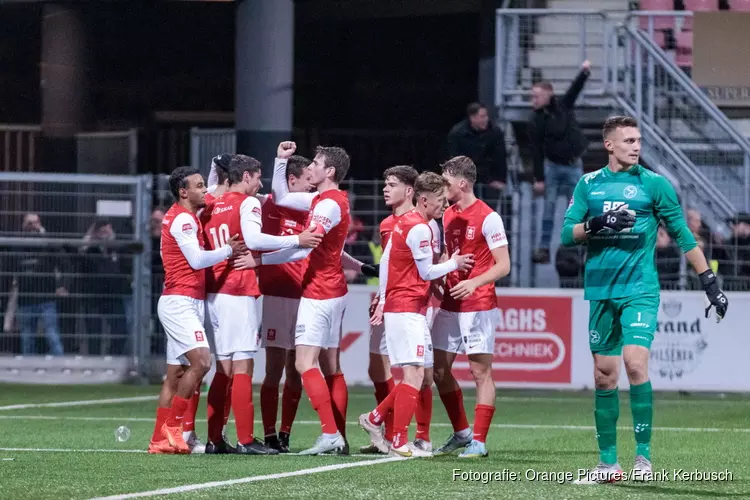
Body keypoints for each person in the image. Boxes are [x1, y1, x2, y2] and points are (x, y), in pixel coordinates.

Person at [561, 115, 729, 483]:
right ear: (609, 145)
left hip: (640, 288)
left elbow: (683, 235)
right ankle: (608, 465)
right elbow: (565, 235)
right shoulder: (589, 184)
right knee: (605, 377)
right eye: (628, 140)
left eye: (638, 140)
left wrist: (710, 282)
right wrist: (594, 226)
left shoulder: (655, 185)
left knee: (635, 365)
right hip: (601, 290)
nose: (636, 146)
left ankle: (643, 458)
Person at [201, 154, 322, 455]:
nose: (260, 184)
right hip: (238, 288)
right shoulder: (248, 203)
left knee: (224, 366)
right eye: (256, 177)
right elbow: (254, 238)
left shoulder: (213, 202)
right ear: (245, 178)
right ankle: (245, 439)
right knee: (243, 364)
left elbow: (214, 183)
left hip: (215, 291)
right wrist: (297, 240)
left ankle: (215, 439)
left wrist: (218, 166)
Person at [359, 172, 474, 457]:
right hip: (407, 308)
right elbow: (425, 271)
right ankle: (399, 441)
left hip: (410, 308)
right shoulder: (421, 228)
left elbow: (385, 260)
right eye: (440, 202)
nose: (444, 207)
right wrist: (453, 263)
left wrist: (384, 298)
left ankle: (376, 420)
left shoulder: (404, 224)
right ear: (424, 200)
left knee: (422, 377)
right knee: (413, 374)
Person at [262, 142, 352, 455]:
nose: (310, 167)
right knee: (322, 365)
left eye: (316, 163)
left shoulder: (327, 205)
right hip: (331, 290)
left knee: (303, 362)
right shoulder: (322, 198)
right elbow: (282, 197)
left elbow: (305, 245)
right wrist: (279, 161)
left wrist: (261, 260)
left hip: (320, 291)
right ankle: (335, 434)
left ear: (330, 171)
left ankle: (331, 434)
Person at [147, 166, 242, 454]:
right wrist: (228, 250)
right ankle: (175, 430)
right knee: (202, 362)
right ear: (183, 192)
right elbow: (198, 260)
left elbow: (215, 193)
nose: (204, 190)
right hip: (180, 302)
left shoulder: (185, 214)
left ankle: (158, 441)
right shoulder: (184, 221)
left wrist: (219, 173)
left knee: (175, 374)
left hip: (184, 300)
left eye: (204, 184)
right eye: (199, 186)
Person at [430, 156, 510, 459]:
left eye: (446, 182)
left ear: (462, 183)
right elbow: (450, 253)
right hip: (451, 300)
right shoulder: (448, 214)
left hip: (478, 303)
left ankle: (479, 441)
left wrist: (475, 283)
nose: (442, 186)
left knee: (480, 372)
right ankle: (462, 433)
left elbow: (504, 265)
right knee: (438, 370)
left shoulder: (489, 218)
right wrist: (439, 273)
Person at [360, 165, 439, 455]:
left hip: (415, 305)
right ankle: (389, 431)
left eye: (391, 184)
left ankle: (417, 434)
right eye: (385, 183)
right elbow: (388, 266)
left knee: (421, 375)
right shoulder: (391, 226)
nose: (384, 189)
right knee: (397, 370)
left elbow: (429, 263)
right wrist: (381, 297)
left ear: (409, 191)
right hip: (398, 305)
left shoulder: (425, 224)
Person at [258, 153, 315, 453]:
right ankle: (268, 434)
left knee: (297, 369)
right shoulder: (272, 203)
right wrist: (279, 160)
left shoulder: (313, 207)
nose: (312, 184)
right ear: (291, 180)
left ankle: (285, 433)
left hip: (307, 296)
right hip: (278, 294)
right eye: (308, 178)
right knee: (274, 369)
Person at [530, 61, 591, 264]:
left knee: (577, 209)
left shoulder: (563, 106)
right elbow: (536, 151)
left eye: (536, 96)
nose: (533, 100)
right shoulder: (536, 120)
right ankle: (544, 248)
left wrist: (584, 72)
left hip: (573, 165)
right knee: (548, 209)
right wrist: (539, 178)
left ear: (548, 94)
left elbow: (575, 89)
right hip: (553, 167)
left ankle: (577, 247)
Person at [447, 102, 507, 191]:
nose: (486, 119)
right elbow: (455, 161)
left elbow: (500, 158)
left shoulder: (495, 132)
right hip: (465, 181)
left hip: (490, 181)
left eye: (486, 116)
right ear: (472, 118)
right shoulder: (457, 134)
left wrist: (500, 180)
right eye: (482, 116)